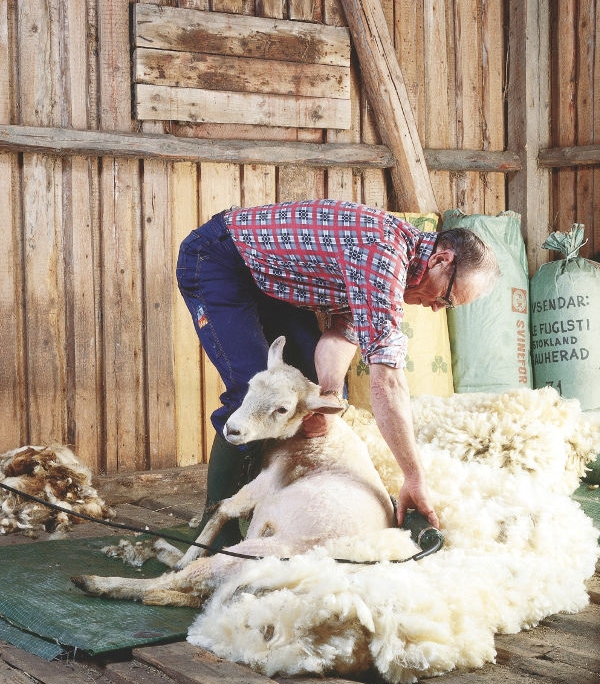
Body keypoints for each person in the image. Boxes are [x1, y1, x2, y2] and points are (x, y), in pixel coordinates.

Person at [177, 199, 500, 545]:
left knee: (309, 393)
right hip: (218, 258)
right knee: (258, 390)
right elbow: (387, 383)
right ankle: (215, 533)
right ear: (441, 260)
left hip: (267, 276)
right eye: (447, 299)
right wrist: (413, 477)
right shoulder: (384, 256)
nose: (437, 308)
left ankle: (276, 509)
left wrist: (325, 396)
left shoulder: (394, 262)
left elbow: (342, 333)